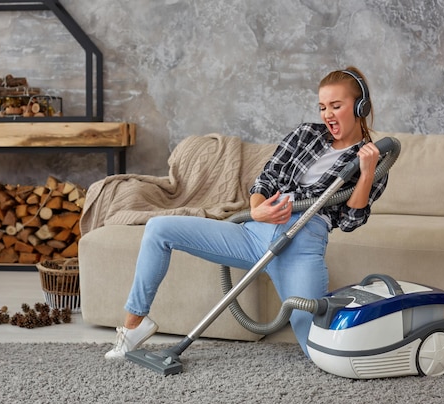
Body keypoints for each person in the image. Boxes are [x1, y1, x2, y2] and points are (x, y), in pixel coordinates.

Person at [104, 66, 388, 359]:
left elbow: (351, 221)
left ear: (360, 106)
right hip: (254, 234)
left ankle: (382, 338)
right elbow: (265, 179)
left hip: (301, 248)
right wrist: (257, 210)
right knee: (158, 229)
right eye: (322, 107)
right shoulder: (306, 135)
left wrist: (365, 174)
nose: (327, 114)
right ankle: (135, 325)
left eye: (336, 106)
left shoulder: (374, 161)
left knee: (317, 350)